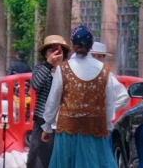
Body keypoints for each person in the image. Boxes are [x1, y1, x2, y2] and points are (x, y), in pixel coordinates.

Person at [41, 26, 128, 168]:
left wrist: (47, 126)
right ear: (90, 46)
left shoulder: (63, 69)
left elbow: (53, 100)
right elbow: (109, 102)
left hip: (67, 132)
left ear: (73, 45)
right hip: (95, 131)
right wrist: (106, 123)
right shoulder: (103, 70)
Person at [27, 34, 70, 168]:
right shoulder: (40, 69)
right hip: (43, 123)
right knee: (39, 161)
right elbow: (35, 84)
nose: (56, 54)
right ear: (45, 54)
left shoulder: (69, 72)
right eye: (52, 50)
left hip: (64, 124)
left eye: (59, 51)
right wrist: (49, 65)